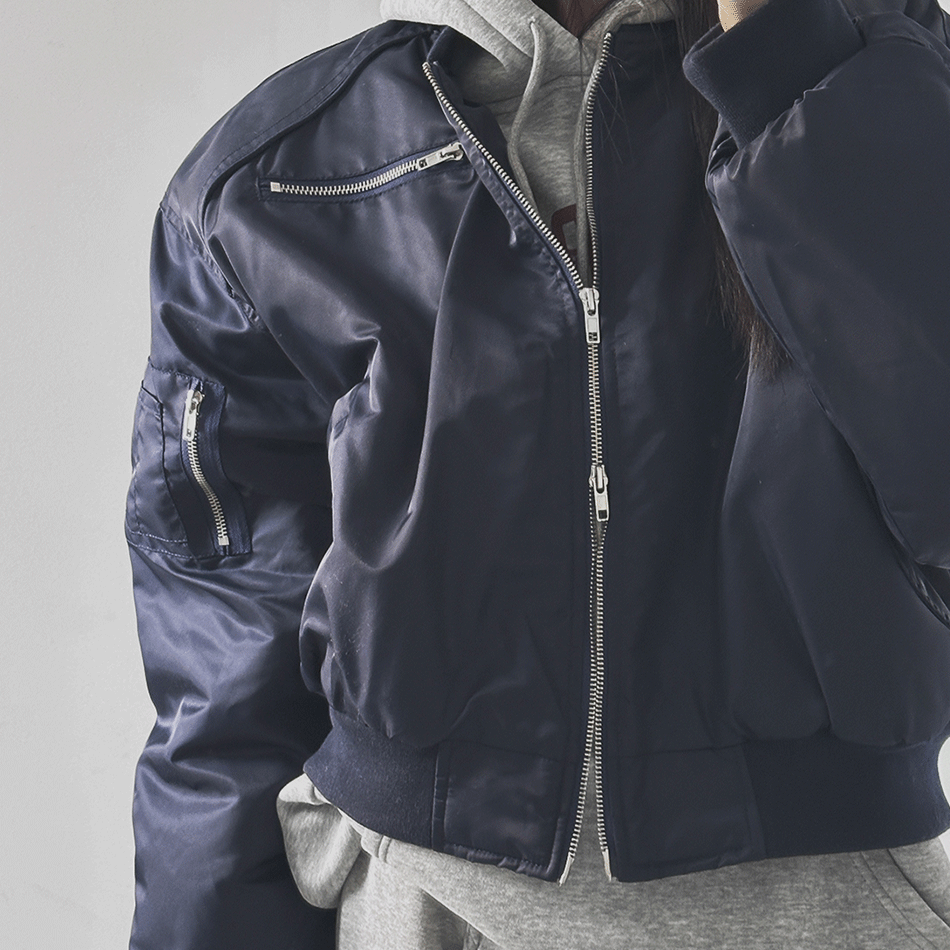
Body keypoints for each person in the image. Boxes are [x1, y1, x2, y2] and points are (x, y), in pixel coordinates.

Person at [124, 0, 950, 946]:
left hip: (834, 912)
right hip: (428, 913)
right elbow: (223, 701)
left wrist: (790, 60)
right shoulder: (275, 179)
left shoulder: (878, 74)